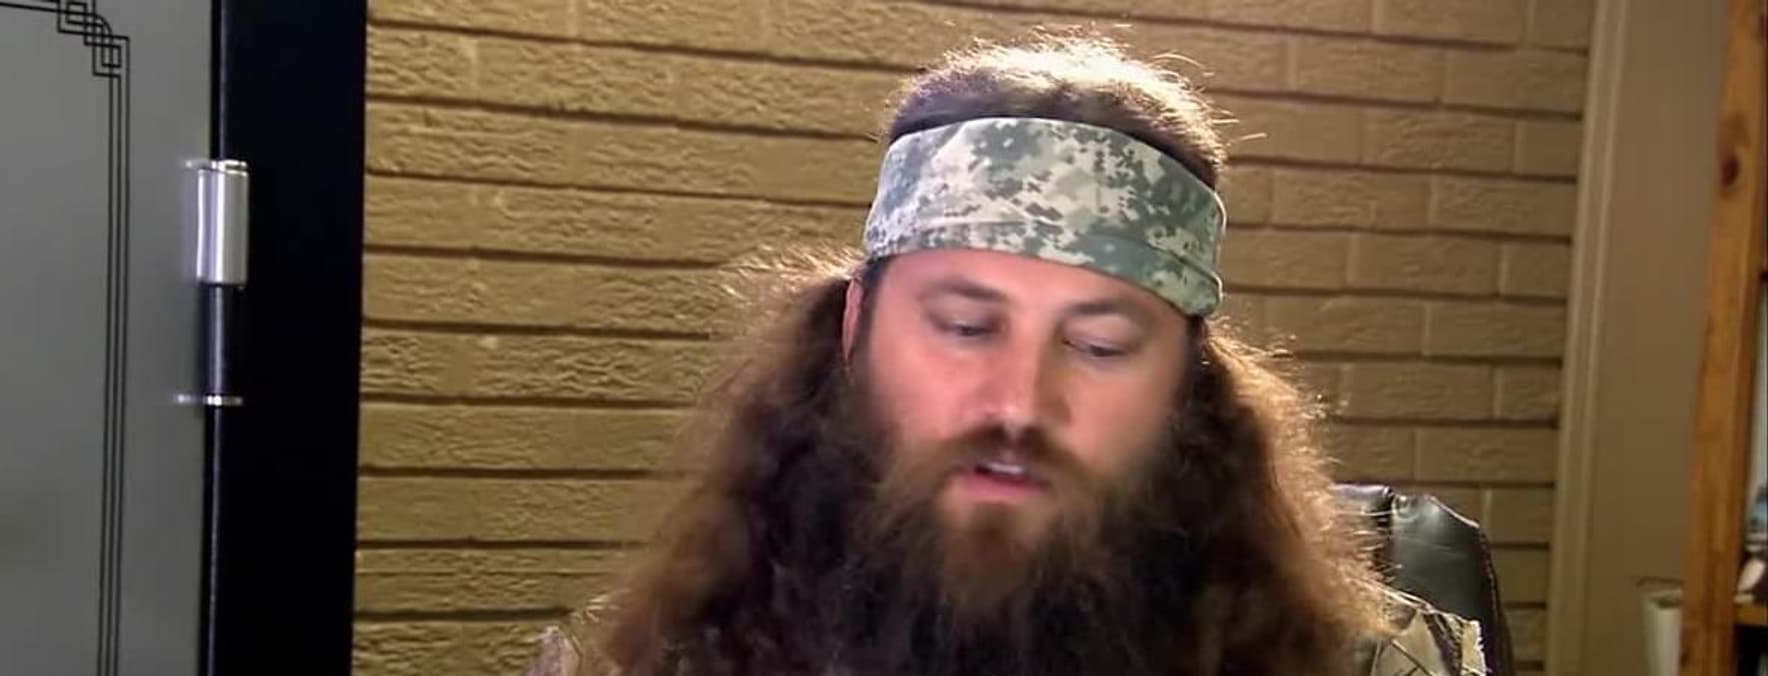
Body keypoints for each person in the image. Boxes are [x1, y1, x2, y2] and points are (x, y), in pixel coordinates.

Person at [521, 31, 1487, 676]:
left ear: (1189, 383)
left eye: (1100, 344)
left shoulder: (1380, 668)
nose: (1020, 401)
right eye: (965, 327)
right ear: (855, 328)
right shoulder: (638, 662)